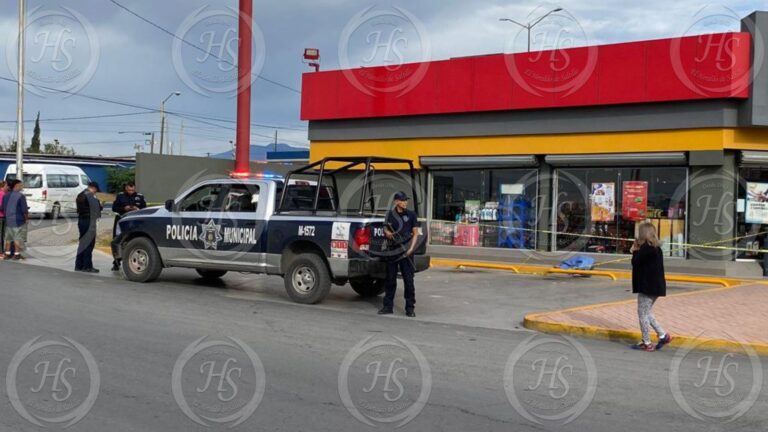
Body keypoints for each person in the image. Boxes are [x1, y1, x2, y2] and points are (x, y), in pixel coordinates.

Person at [631, 222, 672, 352]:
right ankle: (663, 335)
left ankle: (647, 342)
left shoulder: (645, 250)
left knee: (642, 314)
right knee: (647, 312)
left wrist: (634, 251)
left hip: (647, 287)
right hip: (655, 286)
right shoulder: (656, 248)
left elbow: (636, 263)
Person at [378, 191, 421, 318]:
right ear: (396, 202)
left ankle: (410, 308)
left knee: (408, 281)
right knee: (390, 280)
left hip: (406, 251)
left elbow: (415, 233)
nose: (405, 202)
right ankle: (387, 306)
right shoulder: (390, 215)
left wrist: (411, 249)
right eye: (402, 200)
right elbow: (385, 228)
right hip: (392, 251)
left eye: (406, 200)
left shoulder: (411, 215)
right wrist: (387, 233)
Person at [111, 182, 146, 271]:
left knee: (133, 241)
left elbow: (144, 208)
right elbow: (114, 208)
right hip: (121, 220)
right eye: (129, 190)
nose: (131, 191)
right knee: (118, 241)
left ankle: (132, 262)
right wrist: (124, 208)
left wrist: (137, 209)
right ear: (126, 188)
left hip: (135, 222)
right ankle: (116, 262)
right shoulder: (120, 196)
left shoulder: (140, 196)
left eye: (132, 190)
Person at [75, 182, 103, 273]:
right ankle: (87, 266)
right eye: (96, 191)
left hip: (81, 221)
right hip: (89, 222)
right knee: (89, 244)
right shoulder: (91, 196)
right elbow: (97, 209)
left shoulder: (81, 194)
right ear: (94, 188)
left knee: (82, 243)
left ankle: (78, 265)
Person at [2, 180, 29, 260]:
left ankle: (7, 254)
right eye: (21, 185)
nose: (22, 187)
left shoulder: (6, 195)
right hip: (18, 220)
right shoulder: (21, 196)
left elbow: (3, 208)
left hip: (8, 220)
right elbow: (24, 210)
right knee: (17, 238)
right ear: (16, 185)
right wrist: (26, 219)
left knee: (8, 238)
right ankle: (16, 254)